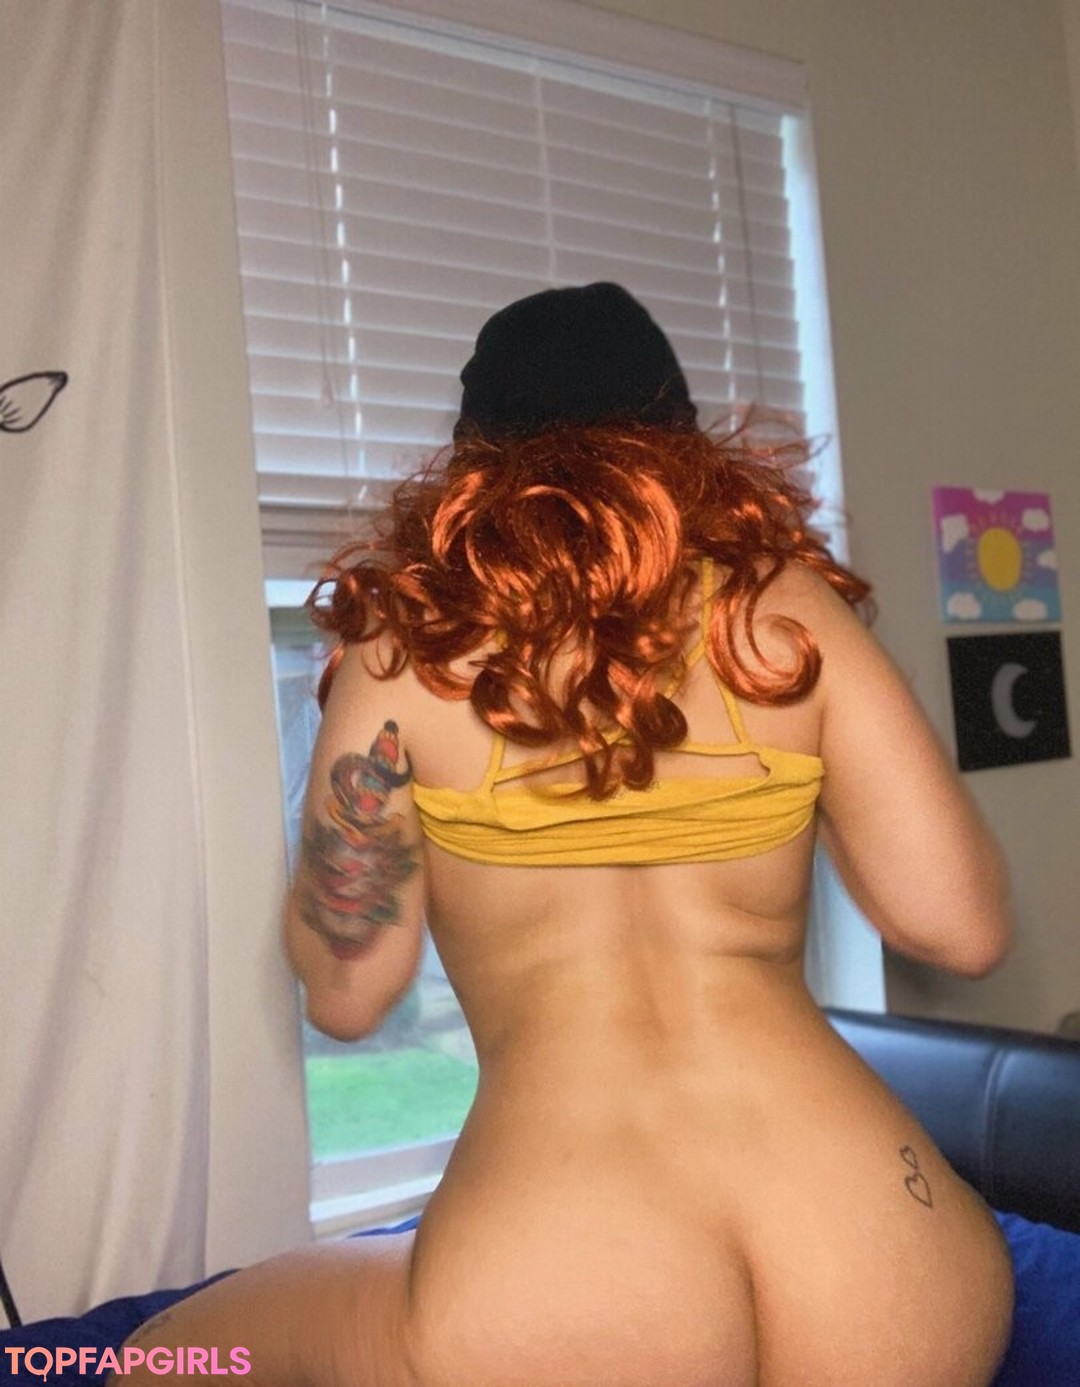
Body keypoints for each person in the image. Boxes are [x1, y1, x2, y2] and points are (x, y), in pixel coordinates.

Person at [122, 283, 1014, 1385]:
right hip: (888, 1254)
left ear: (471, 465)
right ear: (685, 445)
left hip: (564, 1276)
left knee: (163, 1357)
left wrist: (350, 774)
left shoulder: (404, 651)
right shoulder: (789, 613)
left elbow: (349, 995)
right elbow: (962, 927)